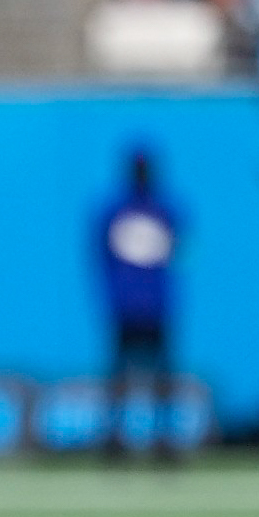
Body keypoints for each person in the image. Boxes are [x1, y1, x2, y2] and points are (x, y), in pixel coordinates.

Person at [94, 142, 181, 462]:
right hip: (136, 303)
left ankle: (158, 439)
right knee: (124, 377)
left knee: (154, 378)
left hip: (146, 303)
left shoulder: (155, 210)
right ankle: (119, 439)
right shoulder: (146, 211)